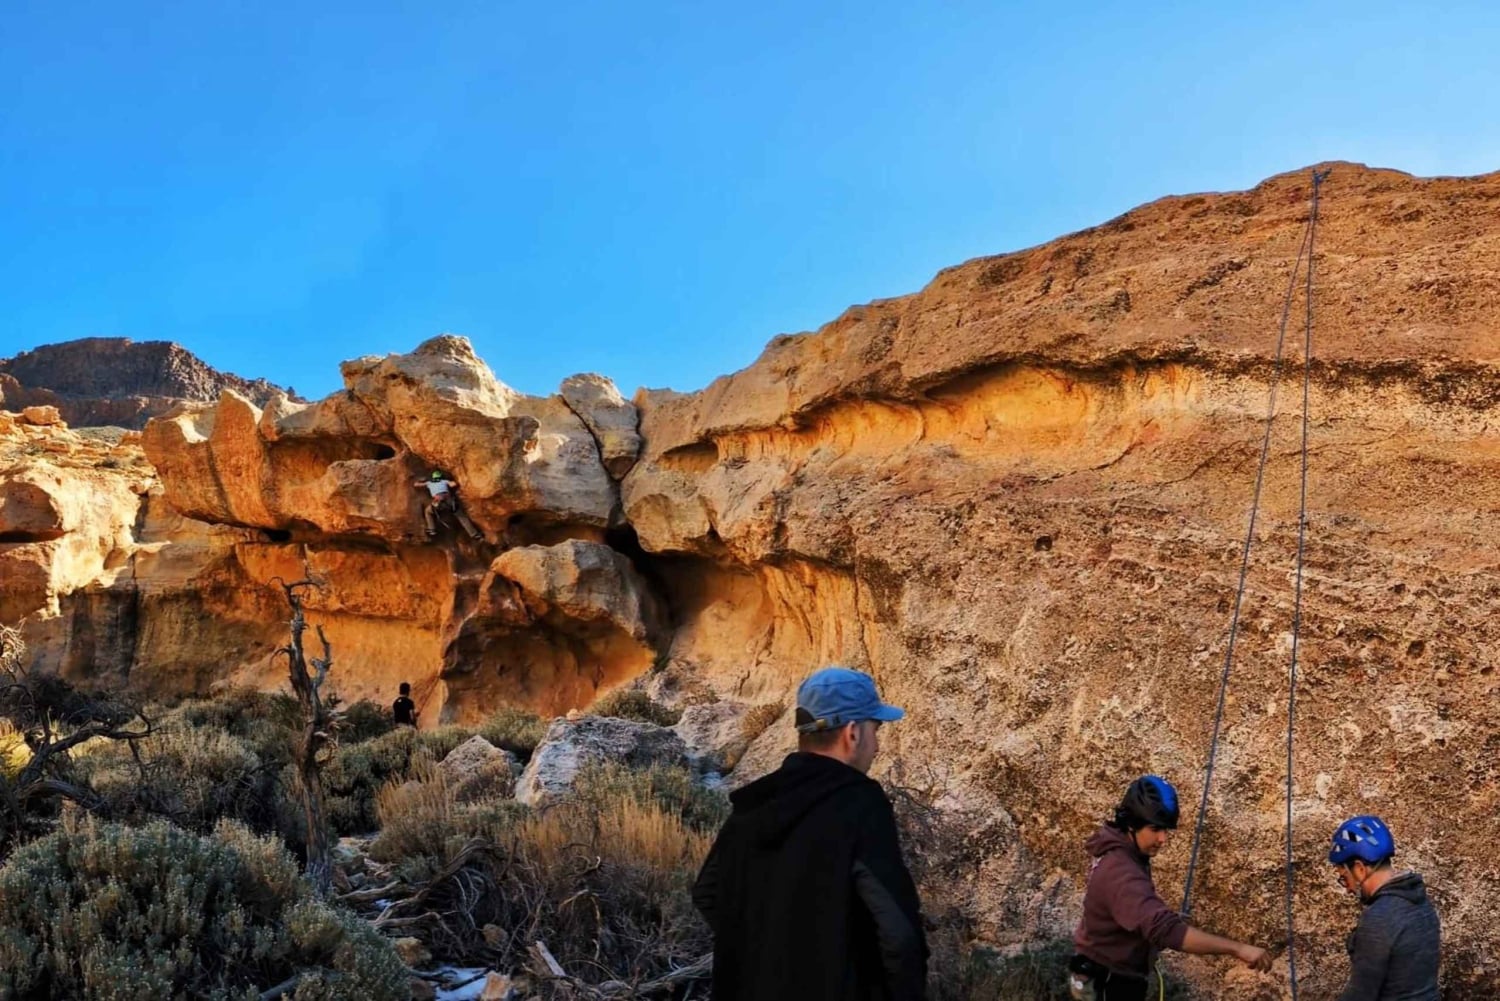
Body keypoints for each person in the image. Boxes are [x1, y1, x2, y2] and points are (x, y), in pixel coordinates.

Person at [692, 666, 927, 1001]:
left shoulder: (755, 802)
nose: (877, 746)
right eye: (876, 729)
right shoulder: (859, 803)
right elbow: (898, 930)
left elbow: (707, 892)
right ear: (853, 733)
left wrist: (767, 953)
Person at [1070, 775, 1272, 1000]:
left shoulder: (1124, 852)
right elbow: (1164, 930)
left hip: (1104, 975)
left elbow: (1131, 915)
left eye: (1166, 830)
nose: (1163, 838)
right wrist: (1239, 949)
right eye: (1155, 829)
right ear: (1131, 824)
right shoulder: (1120, 871)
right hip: (1108, 983)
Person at [1327, 815, 1440, 1000]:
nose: (1347, 889)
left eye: (1344, 878)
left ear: (1359, 868)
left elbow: (1361, 994)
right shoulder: (1421, 903)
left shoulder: (1379, 917)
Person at [413, 470, 482, 541]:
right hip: (449, 502)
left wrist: (421, 480)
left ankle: (432, 529)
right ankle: (474, 534)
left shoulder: (429, 483)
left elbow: (416, 485)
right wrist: (451, 481)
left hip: (437, 504)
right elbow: (454, 484)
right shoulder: (444, 481)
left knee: (428, 512)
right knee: (462, 517)